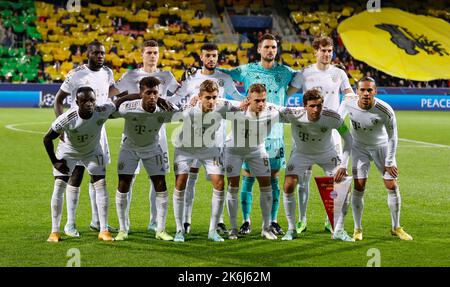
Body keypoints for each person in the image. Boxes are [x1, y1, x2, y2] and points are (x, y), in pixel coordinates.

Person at [219, 33, 296, 236]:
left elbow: (307, 77)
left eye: (274, 47)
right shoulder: (246, 70)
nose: (271, 50)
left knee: (273, 179)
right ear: (259, 49)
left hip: (274, 132)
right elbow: (224, 74)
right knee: (247, 177)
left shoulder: (286, 72)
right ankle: (245, 221)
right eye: (267, 47)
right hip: (249, 132)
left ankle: (272, 221)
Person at [170, 43, 245, 235]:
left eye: (215, 55)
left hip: (215, 138)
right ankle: (185, 221)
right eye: (208, 55)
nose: (212, 59)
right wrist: (188, 101)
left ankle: (218, 222)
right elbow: (177, 99)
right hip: (191, 137)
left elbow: (236, 97)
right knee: (189, 180)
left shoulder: (224, 78)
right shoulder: (191, 78)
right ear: (202, 57)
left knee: (217, 181)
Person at [44, 87, 132, 242]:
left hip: (92, 152)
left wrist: (141, 95)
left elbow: (119, 101)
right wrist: (55, 162)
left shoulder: (102, 110)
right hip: (69, 152)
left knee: (101, 185)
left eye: (91, 100)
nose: (89, 103)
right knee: (59, 186)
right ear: (77, 102)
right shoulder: (67, 117)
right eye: (84, 100)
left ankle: (103, 230)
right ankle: (54, 232)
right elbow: (47, 138)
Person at [287, 36, 356, 235]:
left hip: (331, 132)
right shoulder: (305, 73)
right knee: (303, 177)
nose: (327, 54)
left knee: (335, 177)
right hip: (306, 131)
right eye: (323, 50)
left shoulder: (340, 73)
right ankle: (301, 220)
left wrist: (339, 117)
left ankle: (331, 218)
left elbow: (349, 95)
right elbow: (288, 93)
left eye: (330, 50)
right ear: (315, 51)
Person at [54, 40, 120, 237]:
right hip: (78, 131)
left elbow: (113, 92)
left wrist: (124, 96)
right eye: (96, 53)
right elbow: (58, 100)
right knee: (76, 176)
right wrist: (61, 128)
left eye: (102, 53)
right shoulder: (76, 74)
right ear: (87, 54)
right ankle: (70, 224)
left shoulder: (108, 72)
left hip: (99, 130)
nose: (100, 56)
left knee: (97, 176)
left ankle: (97, 221)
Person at [114, 39, 180, 233]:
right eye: (149, 52)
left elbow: (180, 92)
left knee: (157, 179)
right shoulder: (131, 75)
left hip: (157, 135)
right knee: (128, 179)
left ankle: (154, 222)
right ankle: (124, 225)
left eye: (155, 52)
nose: (152, 55)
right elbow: (114, 95)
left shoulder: (166, 75)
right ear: (142, 55)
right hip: (133, 132)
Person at [338, 77, 413, 241]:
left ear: (375, 91)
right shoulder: (348, 103)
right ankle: (357, 229)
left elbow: (393, 136)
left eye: (369, 90)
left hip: (381, 148)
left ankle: (396, 227)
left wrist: (389, 161)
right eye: (362, 90)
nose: (366, 93)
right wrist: (345, 137)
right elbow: (337, 122)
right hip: (359, 148)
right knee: (359, 187)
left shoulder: (385, 110)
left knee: (391, 185)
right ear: (356, 91)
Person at [279, 89, 354, 242]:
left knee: (344, 186)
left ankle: (339, 230)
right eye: (312, 106)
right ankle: (291, 229)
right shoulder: (293, 114)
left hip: (327, 154)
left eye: (319, 106)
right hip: (301, 154)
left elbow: (349, 139)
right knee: (288, 186)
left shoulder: (332, 117)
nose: (316, 110)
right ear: (304, 106)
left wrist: (343, 165)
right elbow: (271, 110)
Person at [225, 83, 281, 240]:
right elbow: (217, 103)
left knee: (266, 186)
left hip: (257, 150)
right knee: (233, 187)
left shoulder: (272, 111)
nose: (261, 104)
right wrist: (195, 98)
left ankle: (266, 228)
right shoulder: (237, 109)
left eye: (263, 100)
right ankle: (234, 228)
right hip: (234, 150)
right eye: (257, 100)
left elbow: (294, 112)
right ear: (249, 99)